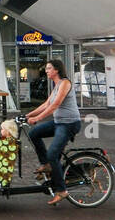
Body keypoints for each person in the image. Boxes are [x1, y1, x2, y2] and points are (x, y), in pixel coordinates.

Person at [26, 59, 81, 205]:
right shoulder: (56, 85)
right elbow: (47, 104)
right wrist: (28, 115)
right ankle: (46, 164)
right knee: (33, 134)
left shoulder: (65, 83)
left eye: (49, 68)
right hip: (58, 123)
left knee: (52, 154)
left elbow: (55, 105)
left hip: (69, 124)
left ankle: (61, 190)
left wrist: (37, 118)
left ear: (56, 70)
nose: (46, 70)